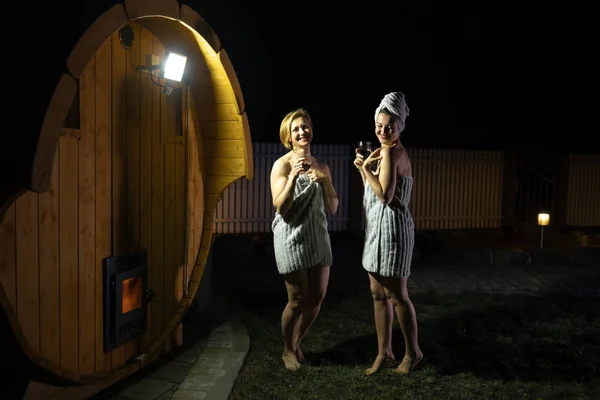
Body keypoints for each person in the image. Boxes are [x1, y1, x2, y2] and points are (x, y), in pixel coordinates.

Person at [353, 92, 423, 375]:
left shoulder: (393, 152)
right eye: (379, 126)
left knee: (397, 295)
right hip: (376, 231)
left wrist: (363, 168)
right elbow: (372, 189)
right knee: (377, 294)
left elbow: (384, 195)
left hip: (393, 233)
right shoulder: (384, 152)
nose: (383, 132)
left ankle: (413, 353)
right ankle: (384, 353)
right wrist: (365, 170)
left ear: (400, 126)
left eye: (389, 126)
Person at [270, 108, 339, 371]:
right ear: (288, 136)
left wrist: (325, 182)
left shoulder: (322, 166)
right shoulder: (282, 165)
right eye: (296, 128)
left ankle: (296, 343)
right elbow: (280, 207)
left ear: (311, 130)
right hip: (292, 237)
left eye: (305, 126)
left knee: (318, 296)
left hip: (318, 235)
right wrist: (292, 178)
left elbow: (332, 208)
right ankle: (288, 351)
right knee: (297, 298)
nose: (302, 132)